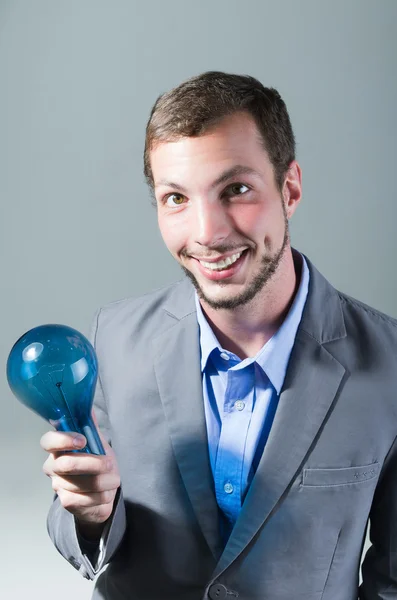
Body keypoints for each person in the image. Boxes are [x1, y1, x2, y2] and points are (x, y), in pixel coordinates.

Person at [41, 72, 397, 600]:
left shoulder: (389, 365)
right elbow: (85, 530)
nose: (207, 233)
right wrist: (90, 513)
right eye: (176, 198)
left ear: (290, 188)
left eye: (236, 189)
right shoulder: (114, 339)